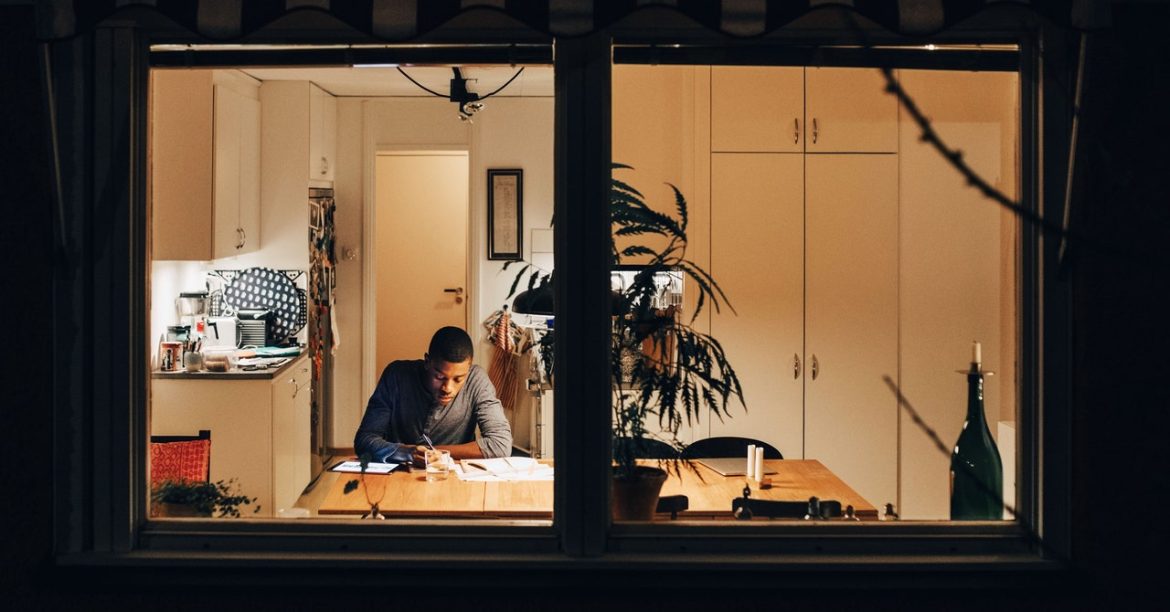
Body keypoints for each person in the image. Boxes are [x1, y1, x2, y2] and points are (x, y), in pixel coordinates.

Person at [354, 326, 512, 466]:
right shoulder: (396, 376)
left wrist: (438, 453)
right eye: (439, 377)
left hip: (452, 476)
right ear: (427, 362)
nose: (447, 388)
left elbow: (500, 444)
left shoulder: (476, 380)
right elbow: (365, 440)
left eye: (458, 379)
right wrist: (408, 453)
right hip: (399, 474)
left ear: (469, 369)